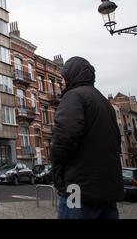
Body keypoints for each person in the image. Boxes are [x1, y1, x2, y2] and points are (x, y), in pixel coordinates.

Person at [50, 56, 123, 219]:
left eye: (63, 77)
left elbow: (64, 138)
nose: (61, 82)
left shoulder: (73, 96)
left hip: (77, 189)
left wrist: (56, 166)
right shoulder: (105, 103)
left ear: (71, 75)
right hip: (107, 193)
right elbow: (117, 142)